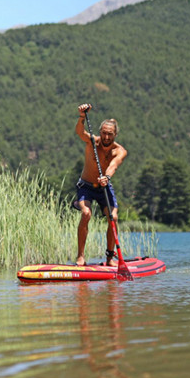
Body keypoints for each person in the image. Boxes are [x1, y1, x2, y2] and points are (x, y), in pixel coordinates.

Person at [72, 103, 127, 266]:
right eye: (104, 133)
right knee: (86, 214)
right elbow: (79, 132)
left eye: (110, 134)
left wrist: (107, 177)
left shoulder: (119, 151)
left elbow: (113, 165)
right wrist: (82, 117)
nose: (106, 137)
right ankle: (80, 256)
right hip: (86, 186)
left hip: (104, 187)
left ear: (115, 134)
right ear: (100, 132)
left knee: (113, 217)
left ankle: (110, 258)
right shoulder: (92, 142)